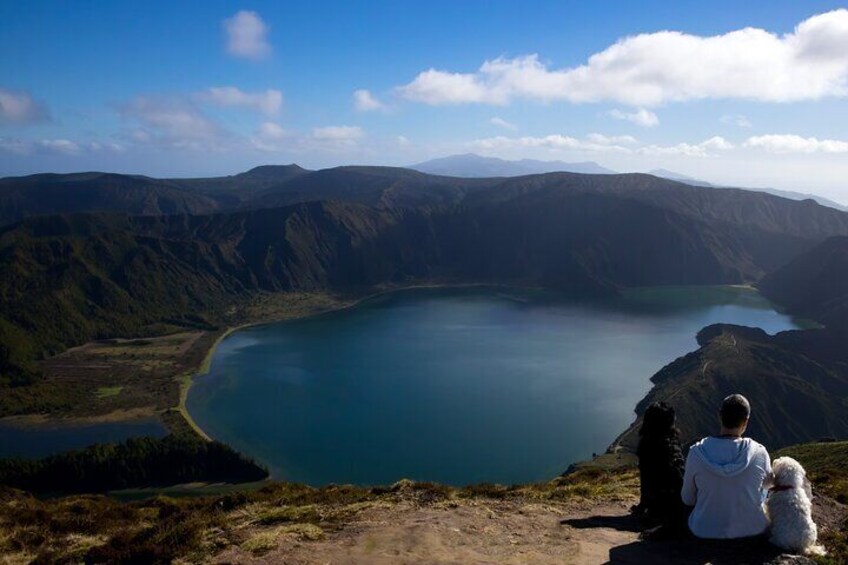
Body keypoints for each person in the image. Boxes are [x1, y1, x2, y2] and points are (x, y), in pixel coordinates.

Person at [681, 394, 772, 539]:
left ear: (720, 416)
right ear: (746, 421)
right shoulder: (759, 452)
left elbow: (687, 499)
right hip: (752, 529)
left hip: (703, 530)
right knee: (763, 491)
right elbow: (767, 486)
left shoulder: (696, 453)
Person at [633, 401, 688, 535]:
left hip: (658, 509)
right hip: (681, 505)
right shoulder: (673, 443)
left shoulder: (646, 445)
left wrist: (642, 506)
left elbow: (645, 479)